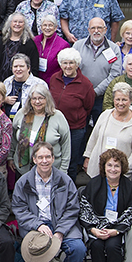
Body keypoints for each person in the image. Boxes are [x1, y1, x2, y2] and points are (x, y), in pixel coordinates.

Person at [12, 142, 86, 262]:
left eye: (47, 157)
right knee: (41, 246)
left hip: (62, 224)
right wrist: (38, 224)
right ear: (34, 159)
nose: (44, 161)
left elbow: (73, 208)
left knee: (78, 248)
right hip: (35, 226)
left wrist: (60, 231)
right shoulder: (23, 182)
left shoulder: (65, 181)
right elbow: (19, 209)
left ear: (53, 158)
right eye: (40, 157)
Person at [79, 147, 132, 262]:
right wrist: (93, 230)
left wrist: (116, 230)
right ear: (104, 167)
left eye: (117, 166)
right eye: (110, 165)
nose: (113, 169)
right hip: (96, 227)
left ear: (122, 168)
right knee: (97, 246)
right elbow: (85, 209)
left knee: (113, 247)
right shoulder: (94, 184)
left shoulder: (129, 186)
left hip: (117, 228)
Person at [49, 48, 95, 179]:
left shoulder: (86, 84)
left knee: (71, 162)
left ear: (77, 64)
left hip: (75, 128)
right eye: (65, 63)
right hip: (55, 126)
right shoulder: (54, 79)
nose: (68, 66)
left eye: (71, 63)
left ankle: (70, 190)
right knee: (55, 158)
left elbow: (88, 106)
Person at [83, 82, 132, 176]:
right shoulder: (105, 115)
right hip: (98, 171)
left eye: (124, 99)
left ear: (130, 101)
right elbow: (94, 138)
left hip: (120, 175)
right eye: (117, 99)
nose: (120, 103)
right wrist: (88, 157)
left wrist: (122, 169)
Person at [8, 82, 71, 177]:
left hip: (51, 171)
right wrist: (10, 157)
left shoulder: (57, 116)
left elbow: (66, 145)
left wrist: (63, 170)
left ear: (47, 99)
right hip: (23, 170)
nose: (37, 102)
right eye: (34, 98)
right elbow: (13, 137)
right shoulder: (22, 114)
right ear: (30, 100)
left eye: (41, 98)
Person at [75, 16, 122, 124]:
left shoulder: (114, 48)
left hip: (103, 98)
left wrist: (95, 92)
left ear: (105, 30)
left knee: (100, 128)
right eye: (93, 28)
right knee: (81, 131)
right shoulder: (78, 46)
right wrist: (86, 91)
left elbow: (115, 75)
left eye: (99, 28)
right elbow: (72, 69)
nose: (96, 31)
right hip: (81, 96)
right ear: (88, 30)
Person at [2, 53, 44, 119]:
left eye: (21, 66)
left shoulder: (40, 84)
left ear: (28, 68)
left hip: (29, 122)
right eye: (15, 66)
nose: (18, 69)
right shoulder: (7, 82)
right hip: (7, 122)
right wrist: (5, 99)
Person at [0, 12, 40, 79]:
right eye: (15, 21)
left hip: (20, 80)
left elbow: (34, 66)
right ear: (10, 23)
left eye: (20, 22)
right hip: (1, 80)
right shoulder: (3, 41)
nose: (17, 24)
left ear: (24, 25)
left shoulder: (29, 44)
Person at [34, 14, 70, 84]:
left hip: (53, 82)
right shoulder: (35, 40)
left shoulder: (63, 45)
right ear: (41, 27)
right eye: (45, 25)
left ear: (56, 27)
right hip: (35, 81)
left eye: (50, 25)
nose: (47, 28)